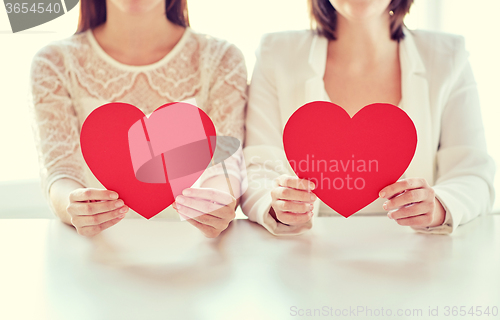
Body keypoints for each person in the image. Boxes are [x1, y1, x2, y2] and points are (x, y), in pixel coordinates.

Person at [242, 0, 495, 235]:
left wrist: (440, 205)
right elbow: (257, 167)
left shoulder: (449, 56)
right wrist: (276, 204)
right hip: (307, 257)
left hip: (418, 259)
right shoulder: (275, 53)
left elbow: (471, 172)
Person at [30, 0, 247, 237]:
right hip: (96, 251)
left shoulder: (221, 59)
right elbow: (61, 171)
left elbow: (224, 168)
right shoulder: (54, 63)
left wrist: (217, 204)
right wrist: (74, 207)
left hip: (194, 249)